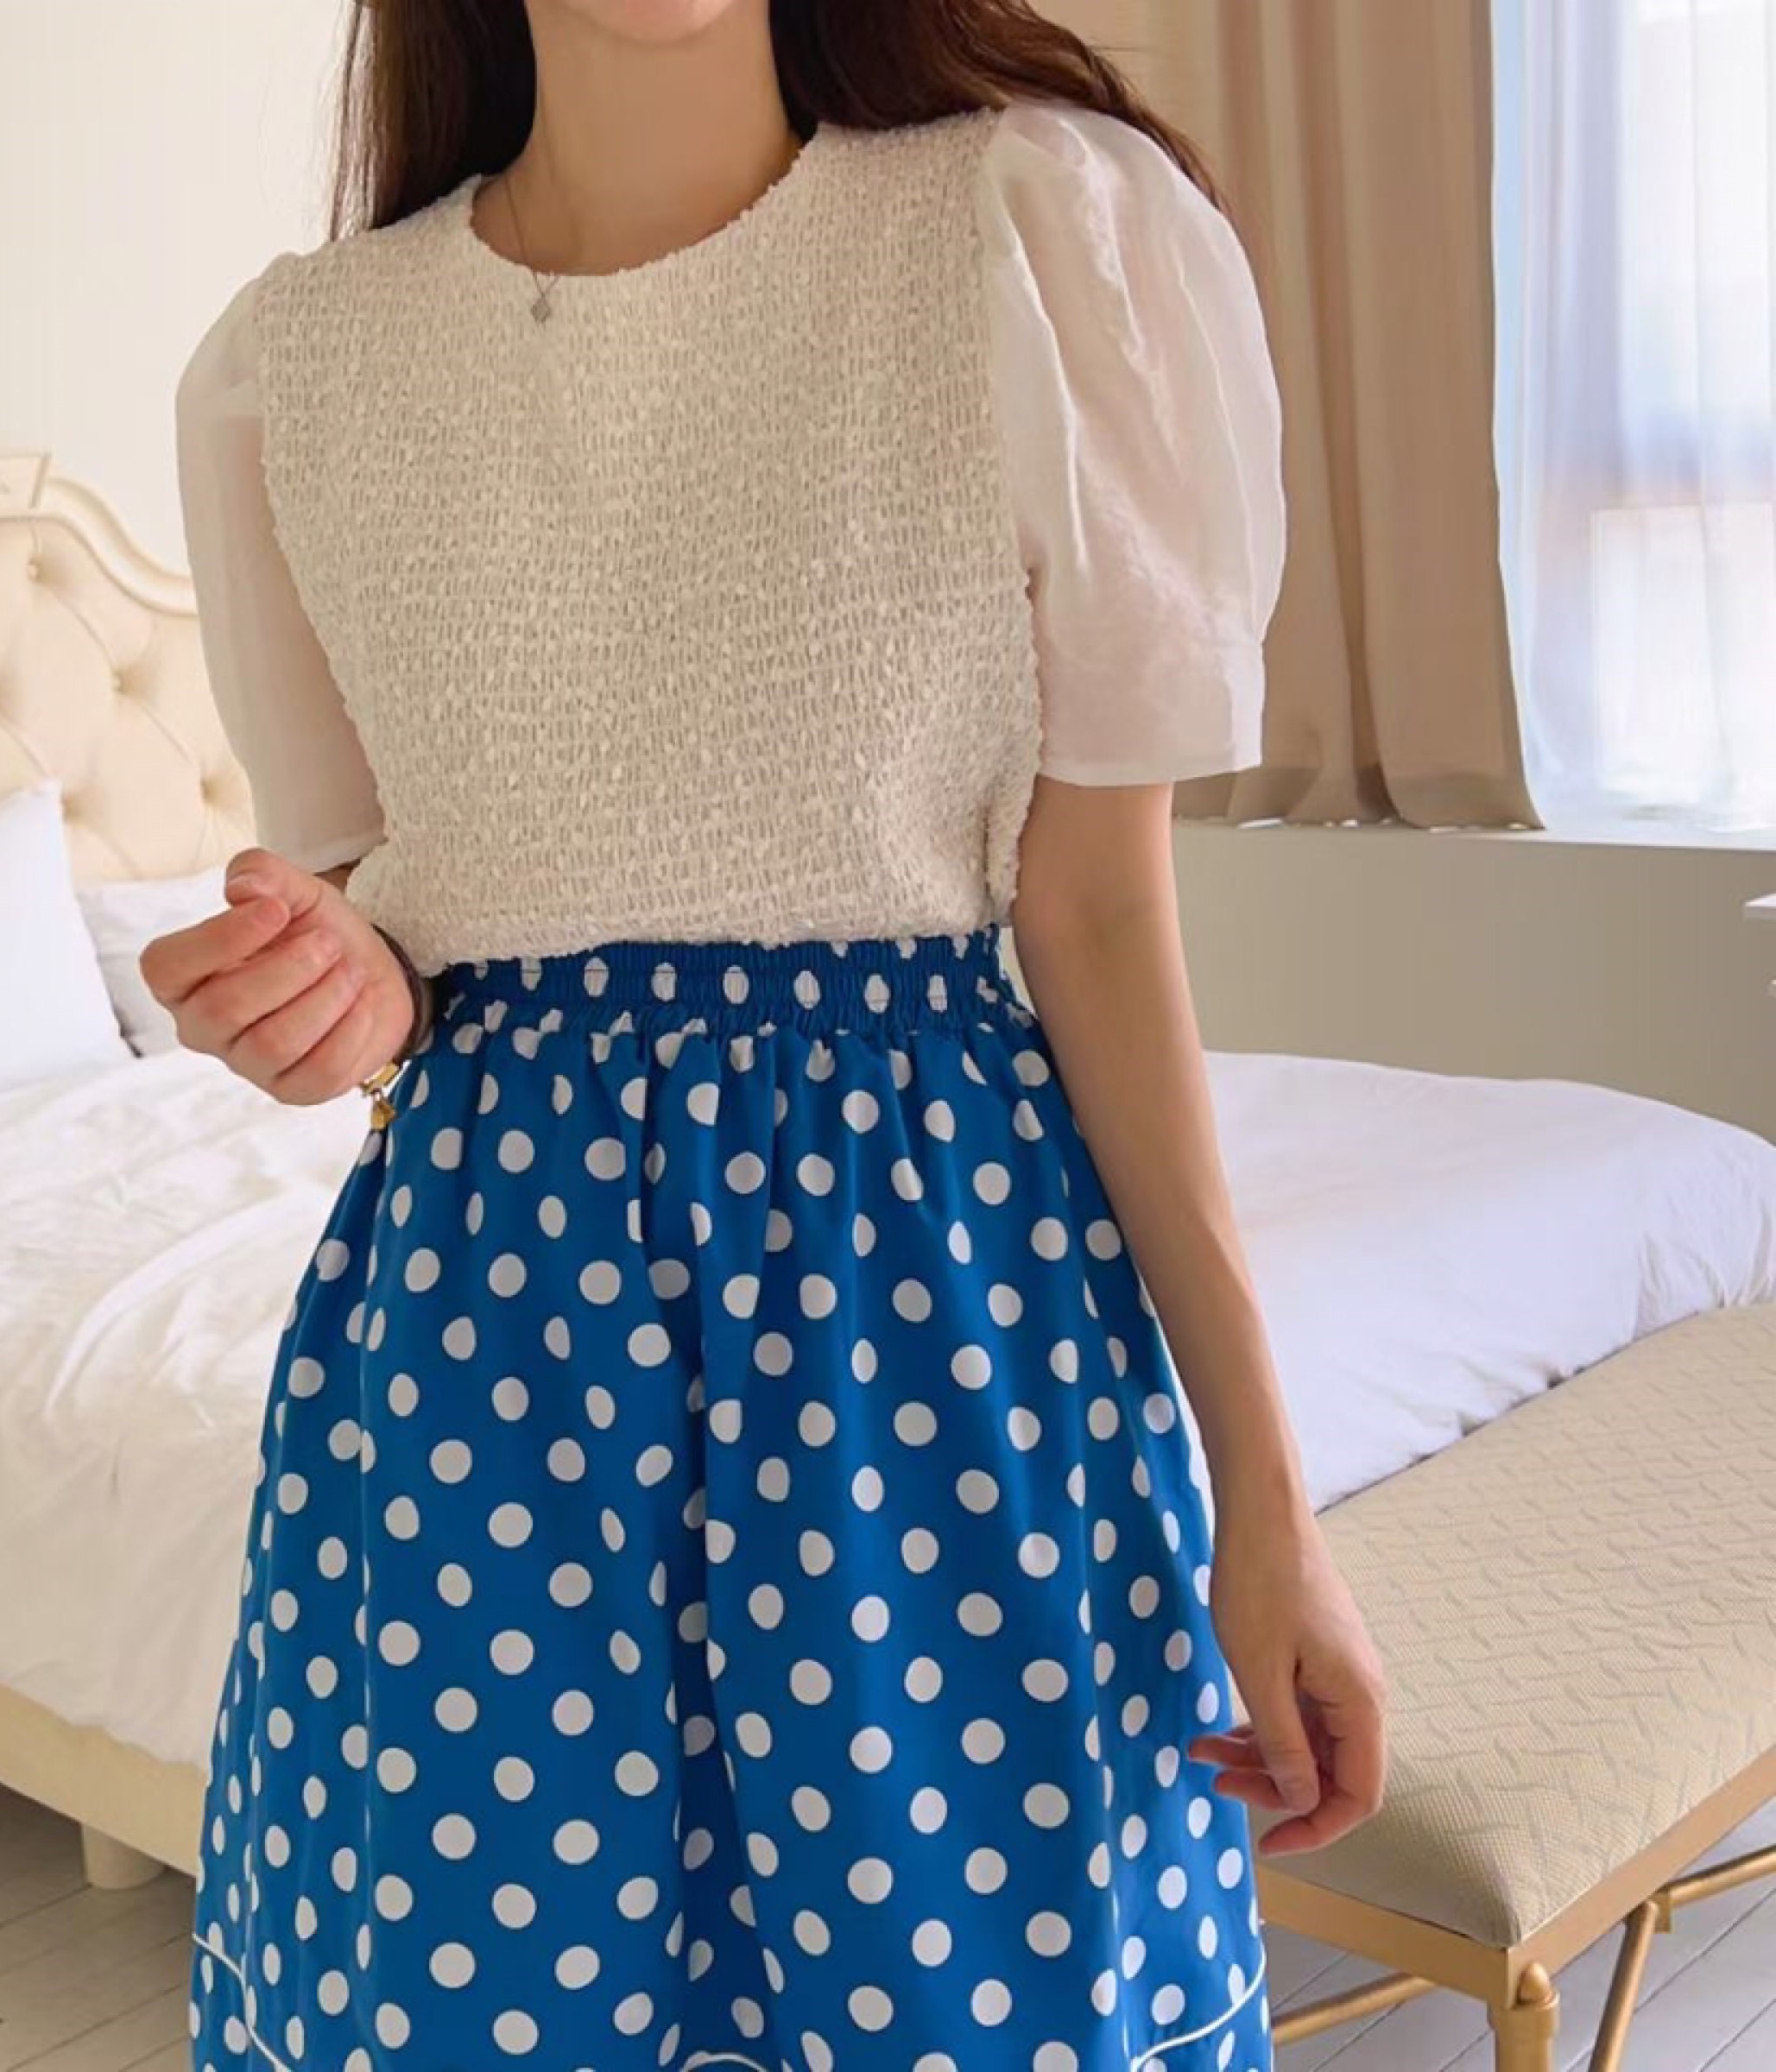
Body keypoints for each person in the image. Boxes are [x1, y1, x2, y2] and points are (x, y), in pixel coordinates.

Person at [151, 3, 1388, 2067]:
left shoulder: (1030, 237)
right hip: (479, 1358)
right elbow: (395, 939)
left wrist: (1271, 1497)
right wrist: (342, 1000)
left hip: (936, 1329)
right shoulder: (300, 369)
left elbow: (1096, 916)